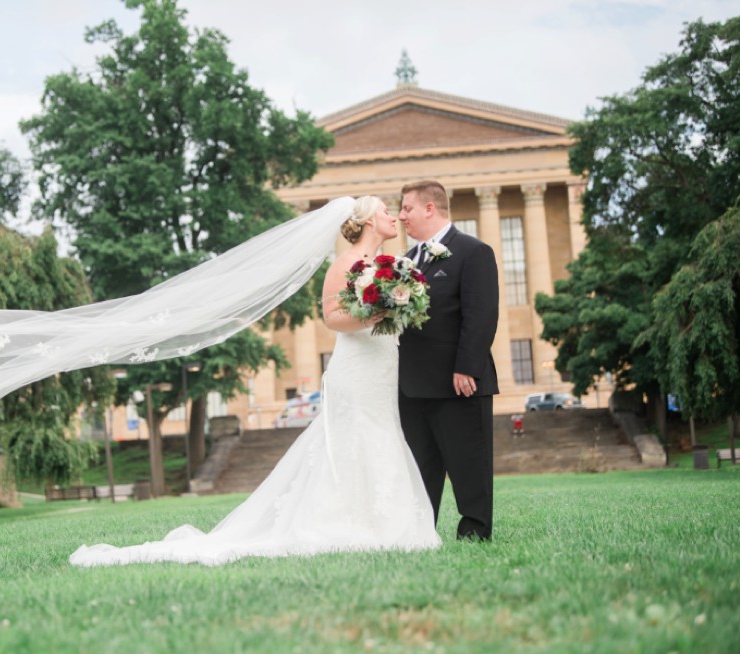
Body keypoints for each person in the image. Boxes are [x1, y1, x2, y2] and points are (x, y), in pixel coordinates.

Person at [68, 196, 441, 567]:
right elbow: (332, 317)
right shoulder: (345, 264)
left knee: (382, 430)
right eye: (385, 212)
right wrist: (377, 313)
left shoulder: (389, 266)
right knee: (357, 434)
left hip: (381, 364)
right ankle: (347, 521)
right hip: (356, 367)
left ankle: (386, 521)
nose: (393, 217)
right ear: (368, 221)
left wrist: (398, 308)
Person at [397, 180, 500, 541]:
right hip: (413, 386)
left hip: (459, 381)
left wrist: (466, 367)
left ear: (430, 208)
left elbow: (481, 314)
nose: (401, 215)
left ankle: (474, 530)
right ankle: (421, 534)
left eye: (407, 208)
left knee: (468, 462)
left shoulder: (474, 252)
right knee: (420, 467)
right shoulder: (406, 262)